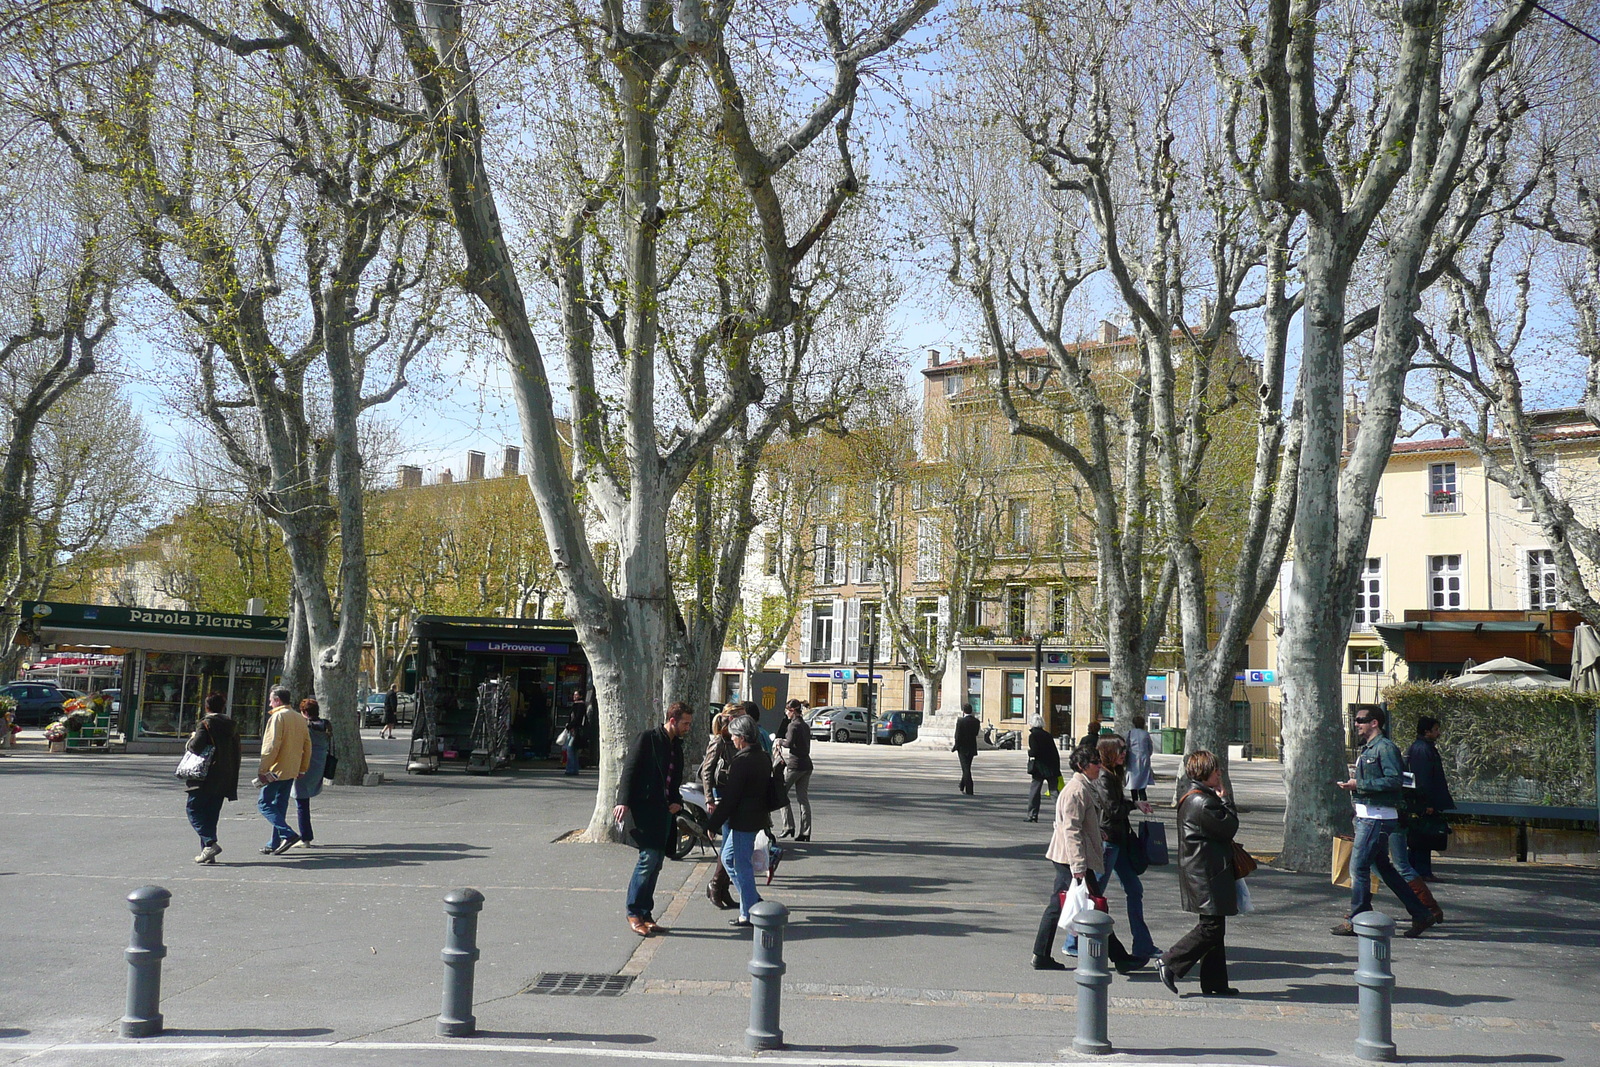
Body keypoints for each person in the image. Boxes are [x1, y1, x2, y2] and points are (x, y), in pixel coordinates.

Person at [1030, 741, 1138, 972]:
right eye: (1095, 763)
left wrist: (1096, 831)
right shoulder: (1076, 790)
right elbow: (1071, 829)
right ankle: (1120, 958)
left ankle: (1041, 954)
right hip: (1071, 858)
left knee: (1073, 906)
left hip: (1073, 856)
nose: (1099, 766)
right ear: (1081, 765)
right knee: (1092, 906)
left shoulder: (1083, 787)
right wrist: (1078, 865)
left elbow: (1079, 823)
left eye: (1099, 761)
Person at [1333, 705, 1434, 938]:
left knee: (1358, 867)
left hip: (1376, 818)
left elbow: (1394, 780)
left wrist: (1359, 785)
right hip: (1369, 816)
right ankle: (1421, 913)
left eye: (1360, 720)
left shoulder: (1385, 748)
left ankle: (1357, 917)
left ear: (1375, 722)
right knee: (1384, 869)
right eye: (1356, 720)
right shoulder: (1369, 748)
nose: (1356, 724)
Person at [1157, 749, 1241, 997]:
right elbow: (1229, 827)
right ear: (1206, 773)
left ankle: (1214, 982)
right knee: (1211, 928)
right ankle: (1169, 962)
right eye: (1216, 771)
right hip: (1205, 873)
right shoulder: (1202, 801)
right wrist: (1226, 800)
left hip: (1206, 870)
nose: (1220, 774)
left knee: (1215, 926)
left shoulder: (1200, 797)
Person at [614, 700, 694, 937]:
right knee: (647, 859)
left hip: (664, 811)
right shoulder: (647, 738)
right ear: (672, 721)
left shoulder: (676, 746)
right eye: (685, 723)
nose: (688, 728)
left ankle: (646, 914)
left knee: (656, 862)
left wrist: (677, 801)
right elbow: (630, 769)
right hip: (644, 809)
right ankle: (634, 912)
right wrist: (622, 800)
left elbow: (674, 779)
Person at [1091, 734, 1159, 962]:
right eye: (1120, 749)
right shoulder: (1104, 776)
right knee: (1094, 893)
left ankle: (1143, 944)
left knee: (1134, 890)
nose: (1124, 753)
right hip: (1109, 840)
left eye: (1125, 749)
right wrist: (1132, 805)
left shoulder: (1113, 774)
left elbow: (1117, 806)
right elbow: (1112, 810)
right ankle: (1075, 940)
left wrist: (1134, 804)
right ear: (1108, 751)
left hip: (1118, 839)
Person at [705, 714, 769, 928]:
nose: (731, 739)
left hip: (743, 820)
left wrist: (712, 824)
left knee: (741, 865)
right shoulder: (762, 756)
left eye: (733, 736)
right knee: (728, 857)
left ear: (742, 737)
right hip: (753, 817)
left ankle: (749, 913)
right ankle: (751, 899)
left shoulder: (742, 761)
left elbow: (731, 798)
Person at [185, 693, 242, 863]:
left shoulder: (206, 723)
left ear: (207, 706)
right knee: (211, 814)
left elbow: (195, 748)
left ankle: (210, 844)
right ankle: (207, 853)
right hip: (225, 775)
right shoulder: (231, 725)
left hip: (205, 775)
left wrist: (192, 738)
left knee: (193, 809)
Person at [256, 686, 311, 855]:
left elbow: (272, 746)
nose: (269, 703)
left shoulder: (278, 717)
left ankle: (287, 833)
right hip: (291, 768)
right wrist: (303, 768)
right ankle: (274, 842)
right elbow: (307, 746)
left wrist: (263, 768)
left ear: (278, 700)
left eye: (271, 700)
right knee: (280, 806)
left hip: (275, 769)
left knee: (264, 804)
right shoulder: (299, 718)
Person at [1406, 715, 1454, 882]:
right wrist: (1427, 802)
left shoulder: (1422, 748)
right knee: (1423, 837)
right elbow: (1423, 777)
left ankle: (1417, 870)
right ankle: (1421, 870)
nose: (1438, 733)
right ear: (1427, 732)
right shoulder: (1423, 749)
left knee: (1420, 837)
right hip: (1424, 800)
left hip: (1422, 799)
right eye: (1435, 730)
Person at [701, 711, 738, 910]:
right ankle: (716, 885)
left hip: (733, 796)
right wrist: (709, 798)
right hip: (720, 796)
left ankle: (721, 887)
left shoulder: (735, 742)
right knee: (727, 846)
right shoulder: (718, 743)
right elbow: (707, 771)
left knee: (728, 846)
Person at [291, 698, 329, 847]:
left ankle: (305, 837)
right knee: (303, 800)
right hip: (320, 764)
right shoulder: (326, 724)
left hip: (304, 765)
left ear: (304, 712)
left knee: (301, 801)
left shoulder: (305, 726)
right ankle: (305, 835)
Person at [775, 698, 813, 840]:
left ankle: (788, 826)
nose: (786, 713)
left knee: (780, 793)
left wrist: (780, 741)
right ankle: (805, 832)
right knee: (803, 799)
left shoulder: (793, 726)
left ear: (792, 711)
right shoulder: (804, 725)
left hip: (795, 765)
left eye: (787, 710)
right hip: (807, 765)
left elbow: (789, 743)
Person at [1025, 714, 1061, 822]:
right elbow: (1054, 752)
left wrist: (1029, 752)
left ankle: (1032, 814)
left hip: (1039, 767)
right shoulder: (1048, 735)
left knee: (1035, 791)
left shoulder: (1033, 736)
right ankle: (1062, 812)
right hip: (1051, 766)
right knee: (1054, 791)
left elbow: (1034, 751)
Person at [1125, 714, 1155, 802]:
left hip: (1132, 757)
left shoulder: (1130, 733)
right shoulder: (1146, 734)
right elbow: (1150, 747)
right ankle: (1143, 797)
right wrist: (1147, 754)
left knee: (1133, 778)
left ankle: (1134, 798)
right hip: (1144, 757)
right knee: (1143, 777)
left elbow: (1126, 745)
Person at [953, 703, 980, 795]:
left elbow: (957, 736)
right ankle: (962, 784)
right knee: (967, 766)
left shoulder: (960, 721)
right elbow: (976, 733)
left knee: (965, 768)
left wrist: (956, 746)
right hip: (971, 746)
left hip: (962, 747)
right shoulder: (976, 721)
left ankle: (970, 789)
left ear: (963, 711)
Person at [563, 698, 585, 776]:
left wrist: (569, 726)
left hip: (575, 731)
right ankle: (574, 769)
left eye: (576, 695)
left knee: (570, 749)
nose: (574, 696)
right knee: (573, 750)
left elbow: (576, 719)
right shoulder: (579, 706)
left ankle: (571, 769)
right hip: (573, 731)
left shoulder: (579, 706)